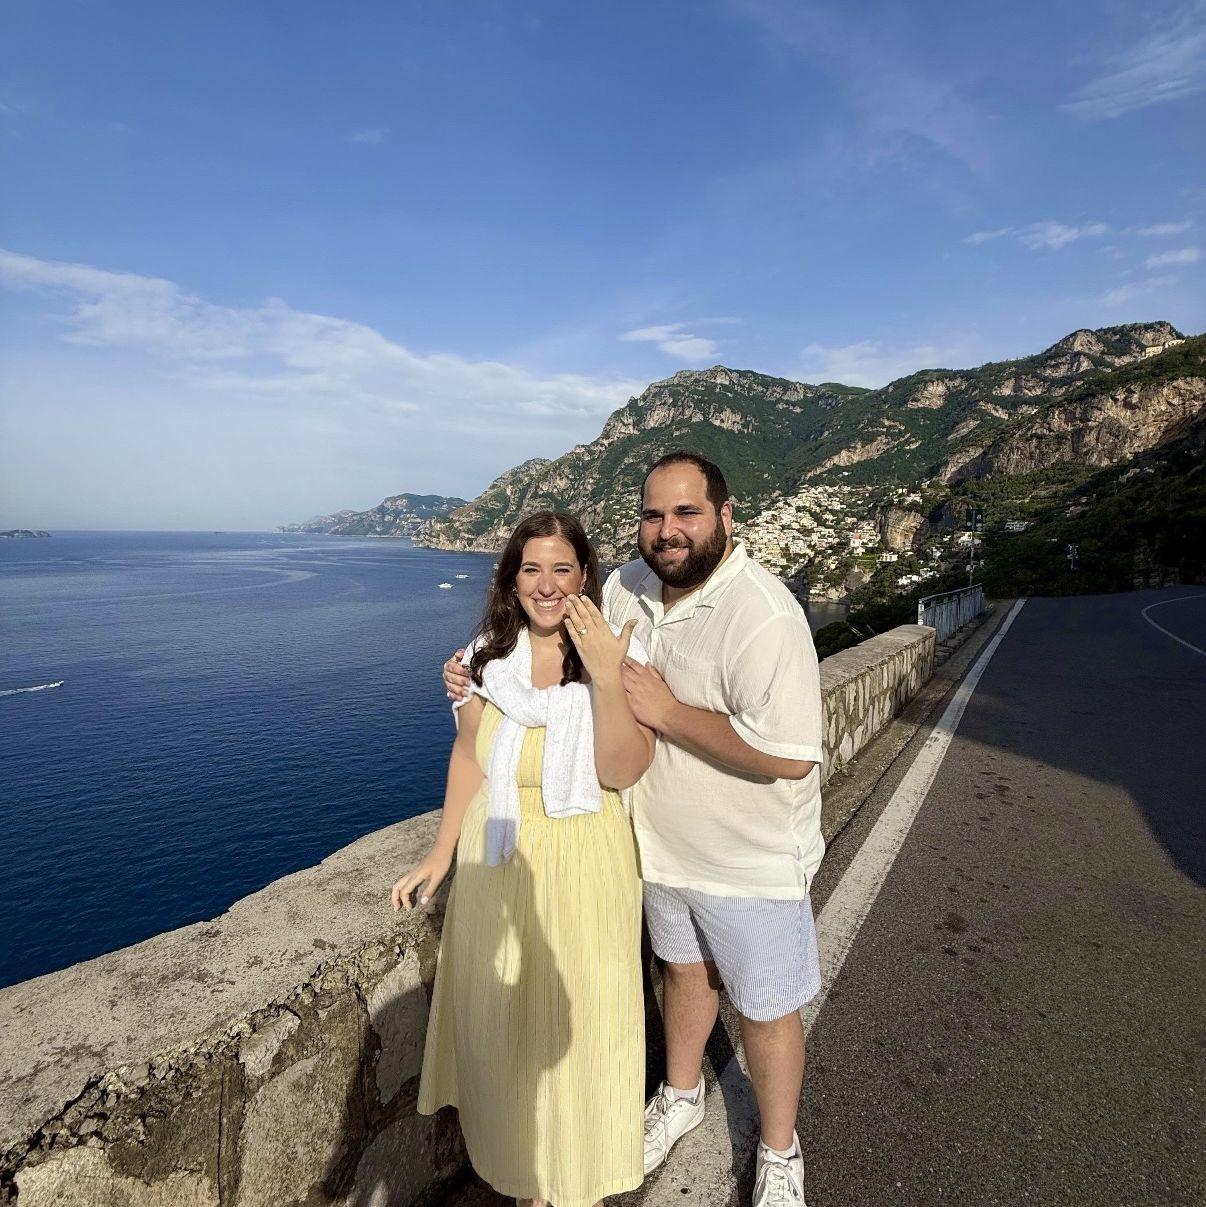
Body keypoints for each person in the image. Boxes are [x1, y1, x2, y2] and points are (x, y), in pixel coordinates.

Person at [444, 453, 825, 1207]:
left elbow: (789, 756)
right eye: (653, 515)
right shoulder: (623, 587)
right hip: (656, 847)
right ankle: (681, 1096)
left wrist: (666, 710)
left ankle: (780, 1149)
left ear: (726, 515)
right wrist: (466, 675)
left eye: (686, 513)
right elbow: (539, 647)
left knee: (766, 1005)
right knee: (684, 976)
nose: (667, 531)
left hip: (747, 854)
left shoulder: (764, 613)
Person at [394, 510, 656, 1207]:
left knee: (586, 1034)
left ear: (583, 577)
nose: (546, 584)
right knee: (508, 1040)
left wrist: (605, 680)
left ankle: (581, 1183)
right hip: (498, 866)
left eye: (561, 568)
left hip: (586, 863)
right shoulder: (485, 656)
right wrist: (439, 852)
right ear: (511, 579)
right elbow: (468, 757)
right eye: (530, 568)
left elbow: (626, 768)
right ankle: (529, 1186)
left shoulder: (612, 651)